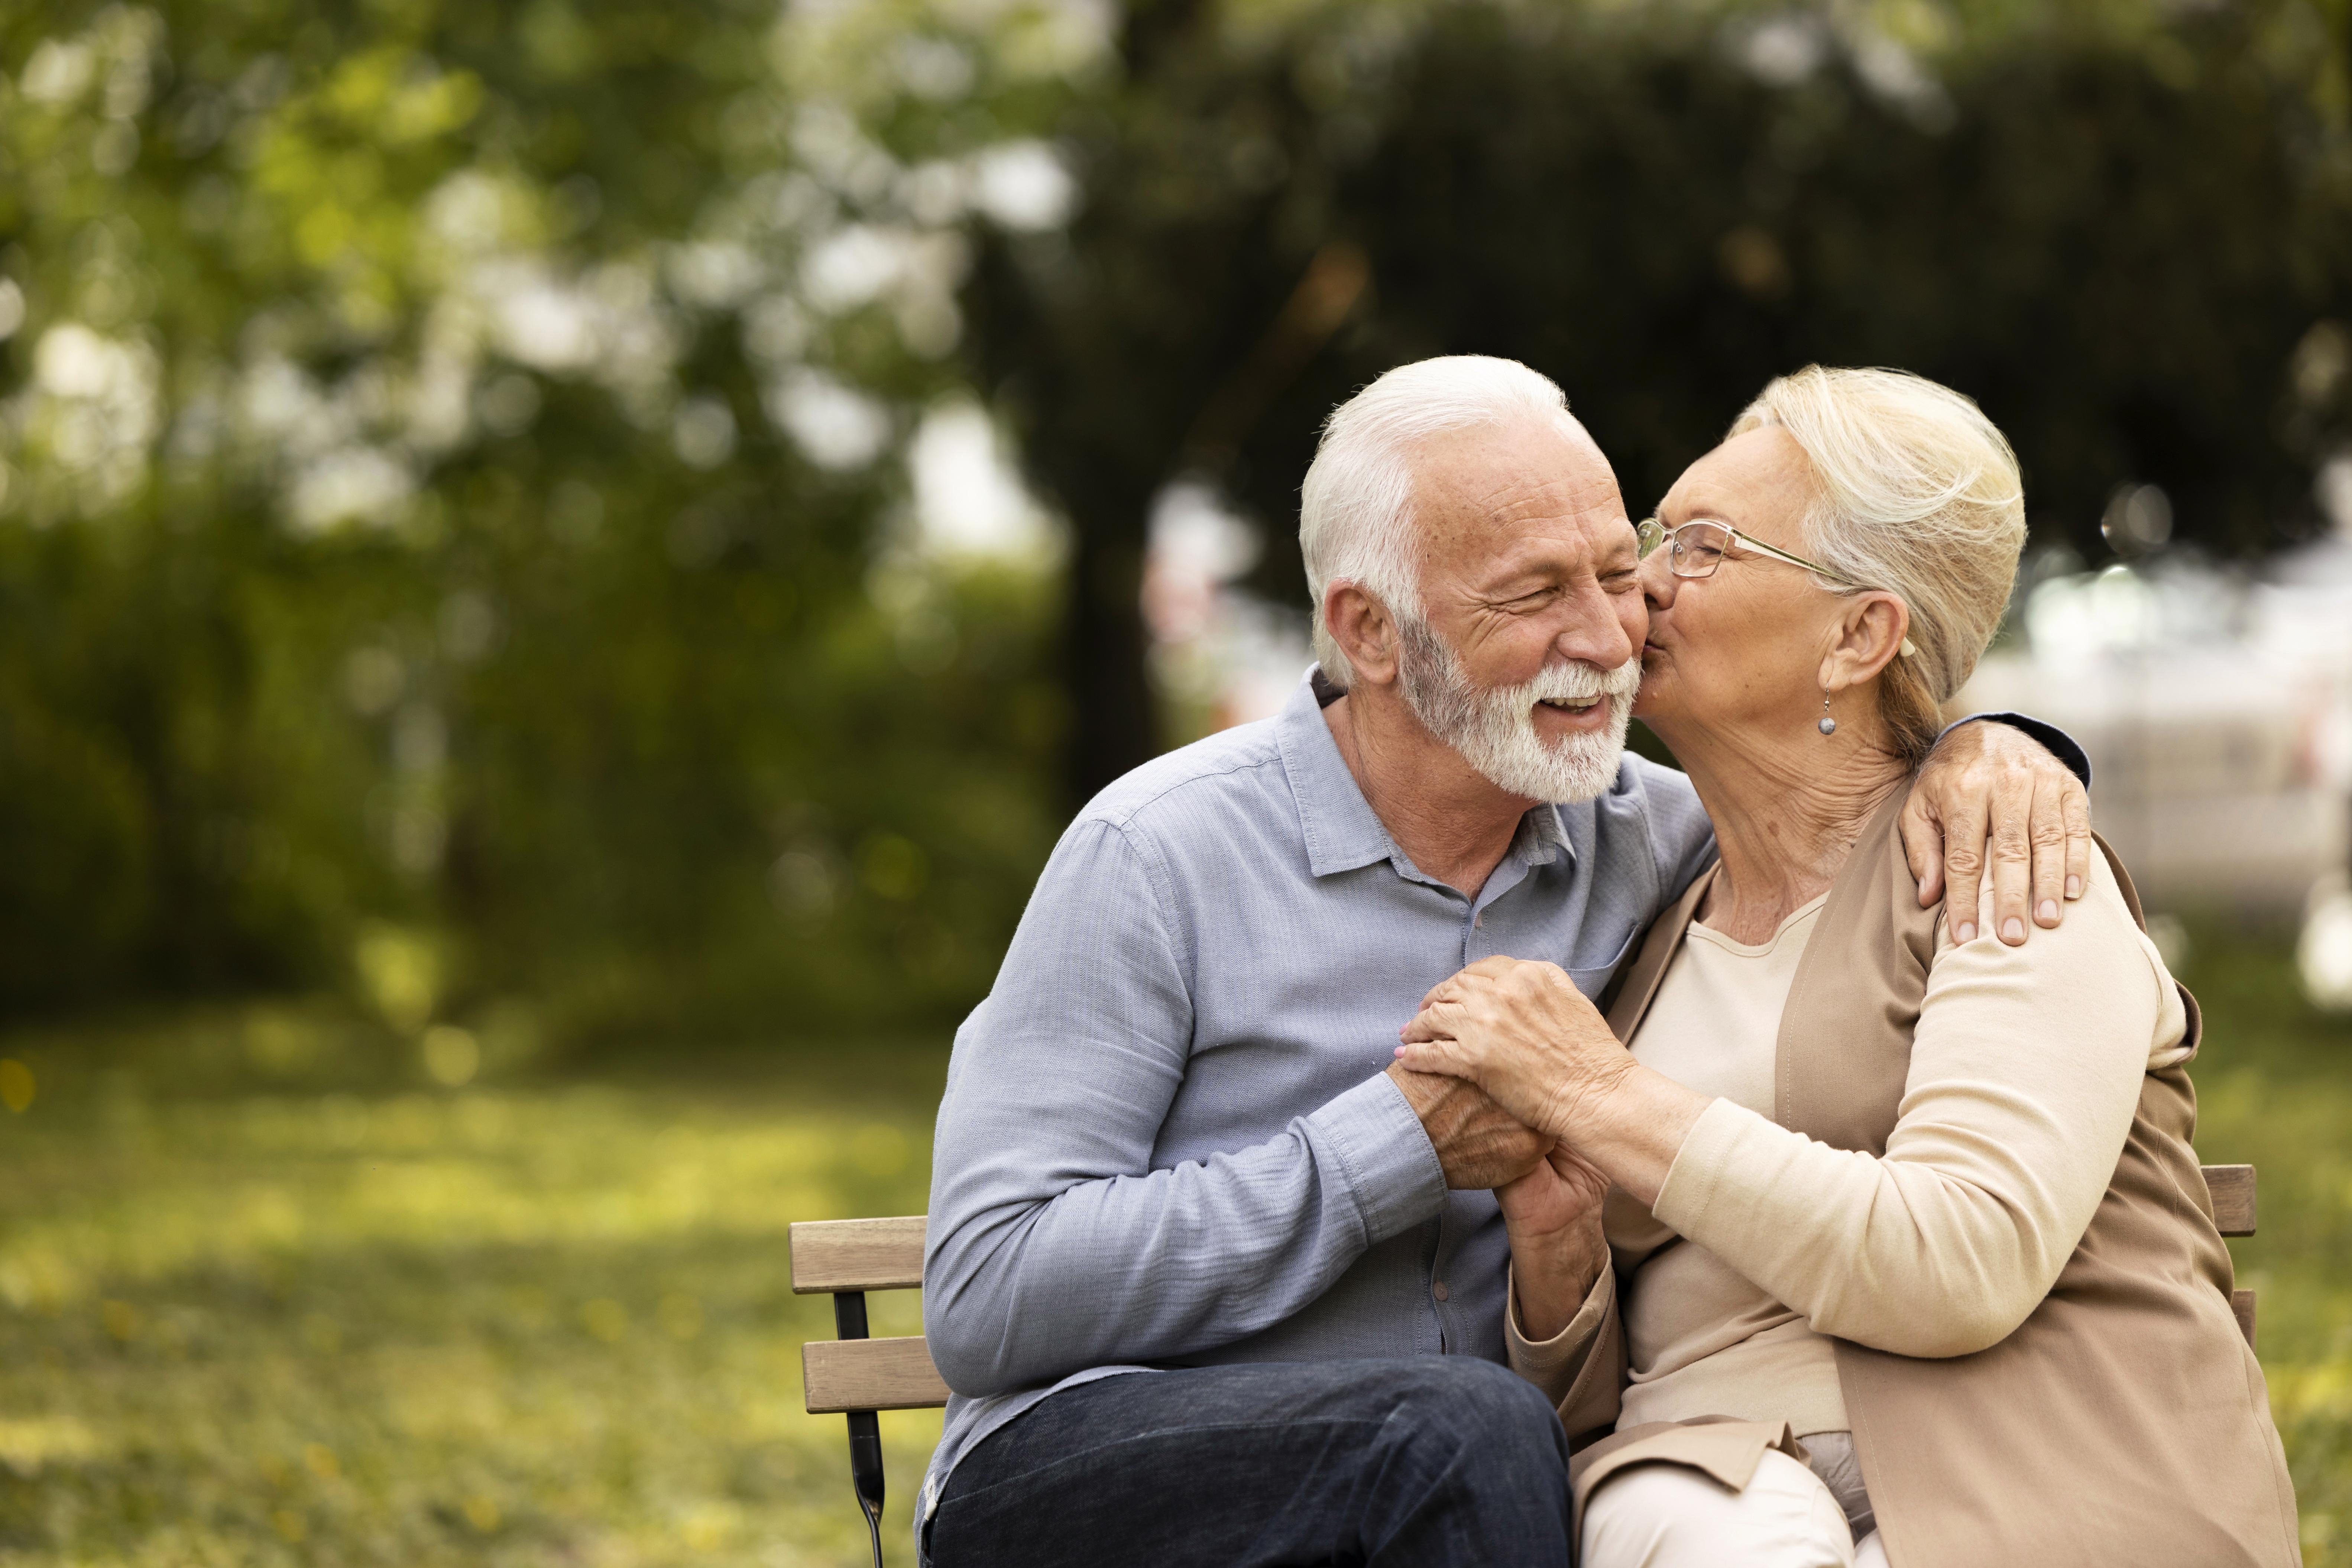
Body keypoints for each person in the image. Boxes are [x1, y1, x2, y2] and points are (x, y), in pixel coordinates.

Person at [919, 356, 2096, 1567]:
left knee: (1479, 1440)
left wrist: (1991, 748)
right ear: (1368, 631)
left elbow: (1838, 776)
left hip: (1475, 1501)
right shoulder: (1156, 852)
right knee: (1462, 1429)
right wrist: (1396, 1146)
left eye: (1611, 568)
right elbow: (987, 1290)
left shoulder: (1663, 843)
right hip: (1106, 1469)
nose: (1606, 634)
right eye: (1532, 592)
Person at [1394, 366, 2301, 1568]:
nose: (1641, 582)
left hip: (2039, 1478)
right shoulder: (1646, 909)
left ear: (1859, 635)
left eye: (1705, 546)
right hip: (1702, 1484)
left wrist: (1600, 1097)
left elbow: (1958, 1261)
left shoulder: (2008, 866)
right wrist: (1560, 1262)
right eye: (1659, 534)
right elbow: (1577, 1412)